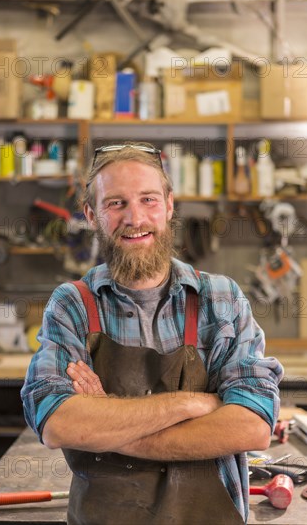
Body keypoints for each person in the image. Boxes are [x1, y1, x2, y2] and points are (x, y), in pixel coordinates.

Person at [21, 142, 284, 525]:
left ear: (169, 205)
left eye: (148, 199)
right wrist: (194, 404)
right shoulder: (72, 306)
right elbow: (57, 422)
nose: (135, 217)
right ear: (92, 215)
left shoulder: (220, 298)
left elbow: (253, 426)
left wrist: (106, 423)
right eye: (116, 204)